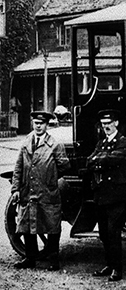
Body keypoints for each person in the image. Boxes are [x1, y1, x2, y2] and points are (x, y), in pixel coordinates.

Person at [11, 111, 70, 271]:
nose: (38, 126)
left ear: (46, 125)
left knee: (52, 225)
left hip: (47, 192)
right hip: (28, 191)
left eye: (41, 123)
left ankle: (53, 259)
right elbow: (18, 168)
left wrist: (50, 178)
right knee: (28, 224)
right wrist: (16, 189)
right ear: (33, 124)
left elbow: (64, 166)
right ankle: (30, 258)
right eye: (36, 123)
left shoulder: (55, 144)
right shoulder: (25, 143)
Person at [86, 109, 126, 282]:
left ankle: (117, 270)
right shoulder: (101, 143)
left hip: (116, 195)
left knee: (113, 232)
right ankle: (109, 265)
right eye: (103, 124)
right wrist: (100, 160)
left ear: (116, 123)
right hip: (101, 193)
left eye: (108, 123)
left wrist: (99, 160)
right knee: (104, 233)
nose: (106, 127)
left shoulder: (124, 142)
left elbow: (114, 159)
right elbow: (89, 161)